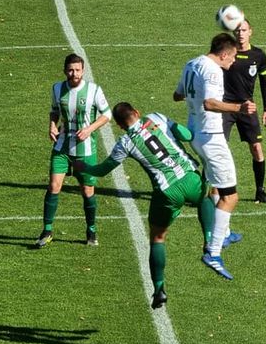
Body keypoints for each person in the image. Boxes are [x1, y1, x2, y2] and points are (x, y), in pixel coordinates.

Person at [73, 102, 217, 308]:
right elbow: (186, 135)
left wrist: (84, 166)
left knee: (157, 238)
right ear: (137, 113)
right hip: (189, 177)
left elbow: (104, 169)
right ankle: (209, 241)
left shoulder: (125, 143)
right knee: (206, 195)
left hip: (167, 192)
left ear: (121, 126)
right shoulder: (156, 117)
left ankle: (159, 289)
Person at [173, 33, 256, 278]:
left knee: (217, 186)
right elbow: (210, 103)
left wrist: (193, 97)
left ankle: (225, 231)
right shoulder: (213, 71)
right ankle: (214, 251)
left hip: (196, 133)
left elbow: (177, 95)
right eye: (231, 58)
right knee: (230, 196)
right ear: (223, 54)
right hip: (211, 137)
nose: (232, 63)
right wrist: (238, 108)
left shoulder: (191, 63)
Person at [35, 53, 111, 248]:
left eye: (77, 70)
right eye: (70, 70)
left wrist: (89, 129)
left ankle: (91, 230)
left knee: (87, 190)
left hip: (85, 149)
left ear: (83, 71)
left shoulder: (94, 90)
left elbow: (107, 114)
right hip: (61, 146)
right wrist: (52, 125)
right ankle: (47, 230)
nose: (74, 73)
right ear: (65, 71)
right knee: (53, 186)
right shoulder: (57, 88)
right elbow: (54, 110)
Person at [223, 19, 266, 204]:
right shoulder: (226, 52)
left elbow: (264, 83)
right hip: (225, 107)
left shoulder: (259, 55)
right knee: (217, 148)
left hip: (248, 107)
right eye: (237, 30)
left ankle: (260, 191)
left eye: (244, 30)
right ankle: (210, 192)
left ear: (250, 32)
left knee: (257, 148)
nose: (241, 34)